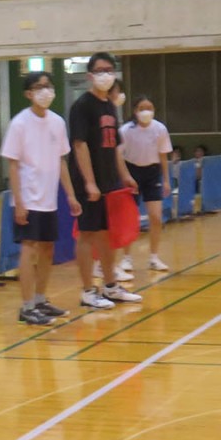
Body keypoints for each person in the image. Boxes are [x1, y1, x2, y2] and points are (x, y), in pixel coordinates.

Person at [1, 71, 79, 326]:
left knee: (47, 249)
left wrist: (70, 194)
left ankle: (40, 300)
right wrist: (19, 202)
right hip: (28, 198)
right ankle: (26, 307)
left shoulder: (57, 122)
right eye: (39, 87)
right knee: (29, 248)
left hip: (49, 199)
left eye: (48, 86)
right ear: (28, 94)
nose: (45, 91)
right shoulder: (19, 123)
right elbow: (12, 165)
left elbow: (62, 160)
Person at [67, 54, 142, 308]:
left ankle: (110, 286)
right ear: (89, 75)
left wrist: (125, 176)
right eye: (99, 70)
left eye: (109, 70)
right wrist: (89, 182)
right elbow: (79, 145)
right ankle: (88, 291)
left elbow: (115, 149)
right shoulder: (82, 106)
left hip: (108, 183)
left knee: (105, 235)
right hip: (88, 183)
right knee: (87, 234)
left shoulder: (109, 106)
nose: (105, 74)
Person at [119, 98, 173, 276]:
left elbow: (163, 156)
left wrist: (165, 180)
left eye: (149, 108)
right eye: (142, 108)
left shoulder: (159, 129)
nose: (146, 111)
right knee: (129, 218)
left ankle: (154, 257)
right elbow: (119, 156)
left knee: (156, 217)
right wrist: (125, 176)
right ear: (135, 111)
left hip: (152, 173)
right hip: (132, 172)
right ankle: (126, 258)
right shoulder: (126, 130)